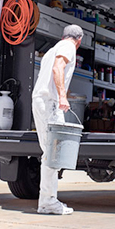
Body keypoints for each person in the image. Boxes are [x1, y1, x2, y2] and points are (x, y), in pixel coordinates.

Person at [31, 24, 83, 215]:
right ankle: (47, 202)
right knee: (53, 153)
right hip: (50, 102)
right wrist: (62, 96)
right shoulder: (67, 46)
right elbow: (58, 68)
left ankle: (47, 200)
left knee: (49, 152)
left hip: (41, 100)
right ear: (79, 40)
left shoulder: (52, 50)